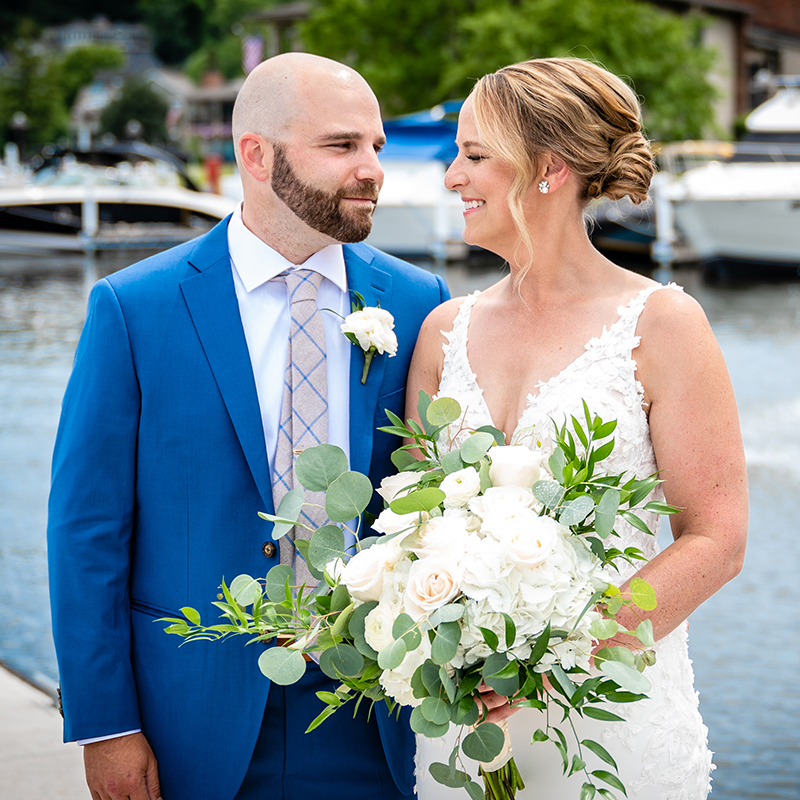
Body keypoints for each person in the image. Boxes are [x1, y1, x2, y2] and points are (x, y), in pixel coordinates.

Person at [47, 53, 449, 800]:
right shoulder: (134, 309)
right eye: (341, 146)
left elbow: (436, 499)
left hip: (374, 708)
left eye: (377, 146)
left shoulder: (419, 298)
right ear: (255, 155)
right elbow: (86, 531)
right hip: (190, 717)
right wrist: (105, 724)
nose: (372, 169)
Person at [408, 58, 748, 799]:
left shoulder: (661, 325)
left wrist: (554, 661)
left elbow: (716, 540)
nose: (450, 178)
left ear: (548, 169)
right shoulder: (442, 334)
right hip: (464, 728)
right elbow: (413, 529)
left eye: (472, 156)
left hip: (609, 727)